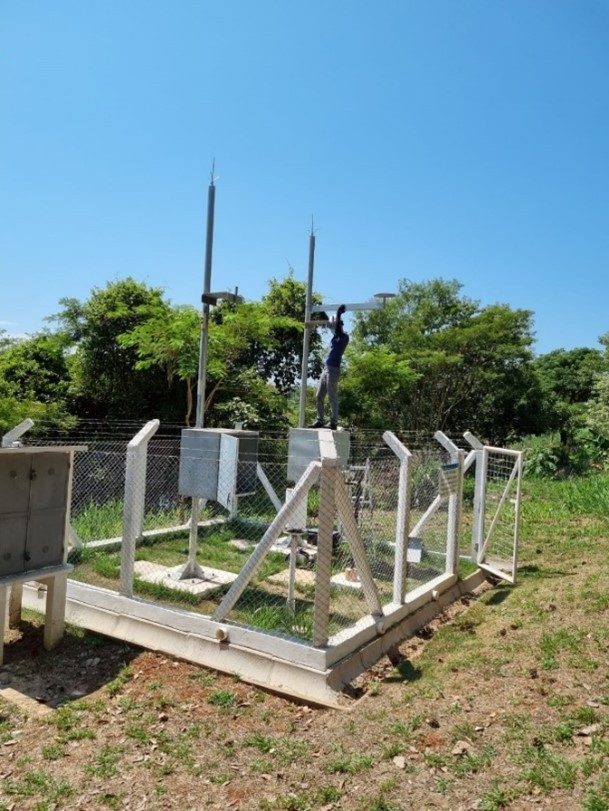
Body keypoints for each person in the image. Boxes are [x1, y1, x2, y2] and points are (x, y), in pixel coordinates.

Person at [308, 304, 349, 430]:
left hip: (333, 370)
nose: (334, 326)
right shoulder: (335, 336)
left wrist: (338, 313)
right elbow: (328, 322)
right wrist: (320, 309)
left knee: (332, 396)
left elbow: (337, 328)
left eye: (336, 324)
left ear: (340, 325)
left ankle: (333, 422)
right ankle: (320, 420)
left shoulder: (344, 337)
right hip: (326, 369)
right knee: (319, 395)